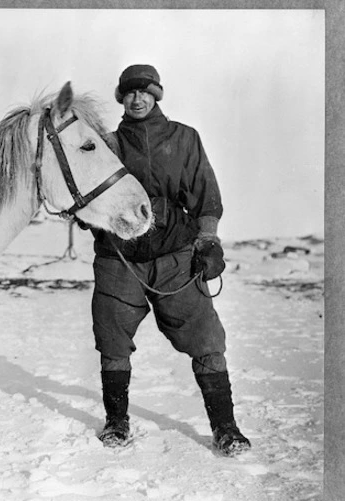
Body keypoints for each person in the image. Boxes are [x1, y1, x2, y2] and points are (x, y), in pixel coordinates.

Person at [90, 64, 251, 457]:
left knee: (207, 339)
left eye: (145, 91)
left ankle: (226, 428)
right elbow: (87, 198)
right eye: (129, 93)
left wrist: (208, 241)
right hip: (118, 258)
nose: (137, 99)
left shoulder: (184, 138)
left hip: (175, 254)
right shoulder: (104, 144)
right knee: (112, 339)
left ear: (157, 95)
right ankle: (117, 421)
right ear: (121, 99)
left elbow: (205, 196)